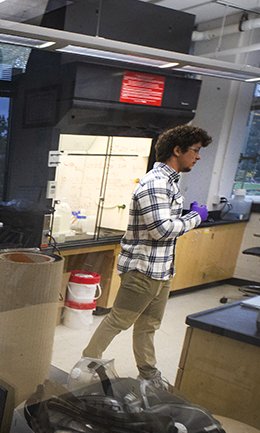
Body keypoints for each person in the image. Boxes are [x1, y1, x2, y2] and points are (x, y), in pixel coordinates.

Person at [82, 125, 212, 389]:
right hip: (143, 271)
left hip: (162, 270)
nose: (198, 157)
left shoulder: (170, 183)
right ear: (177, 150)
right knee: (119, 320)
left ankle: (148, 373)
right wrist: (195, 217)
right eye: (195, 151)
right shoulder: (154, 184)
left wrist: (187, 217)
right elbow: (162, 230)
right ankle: (87, 363)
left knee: (149, 325)